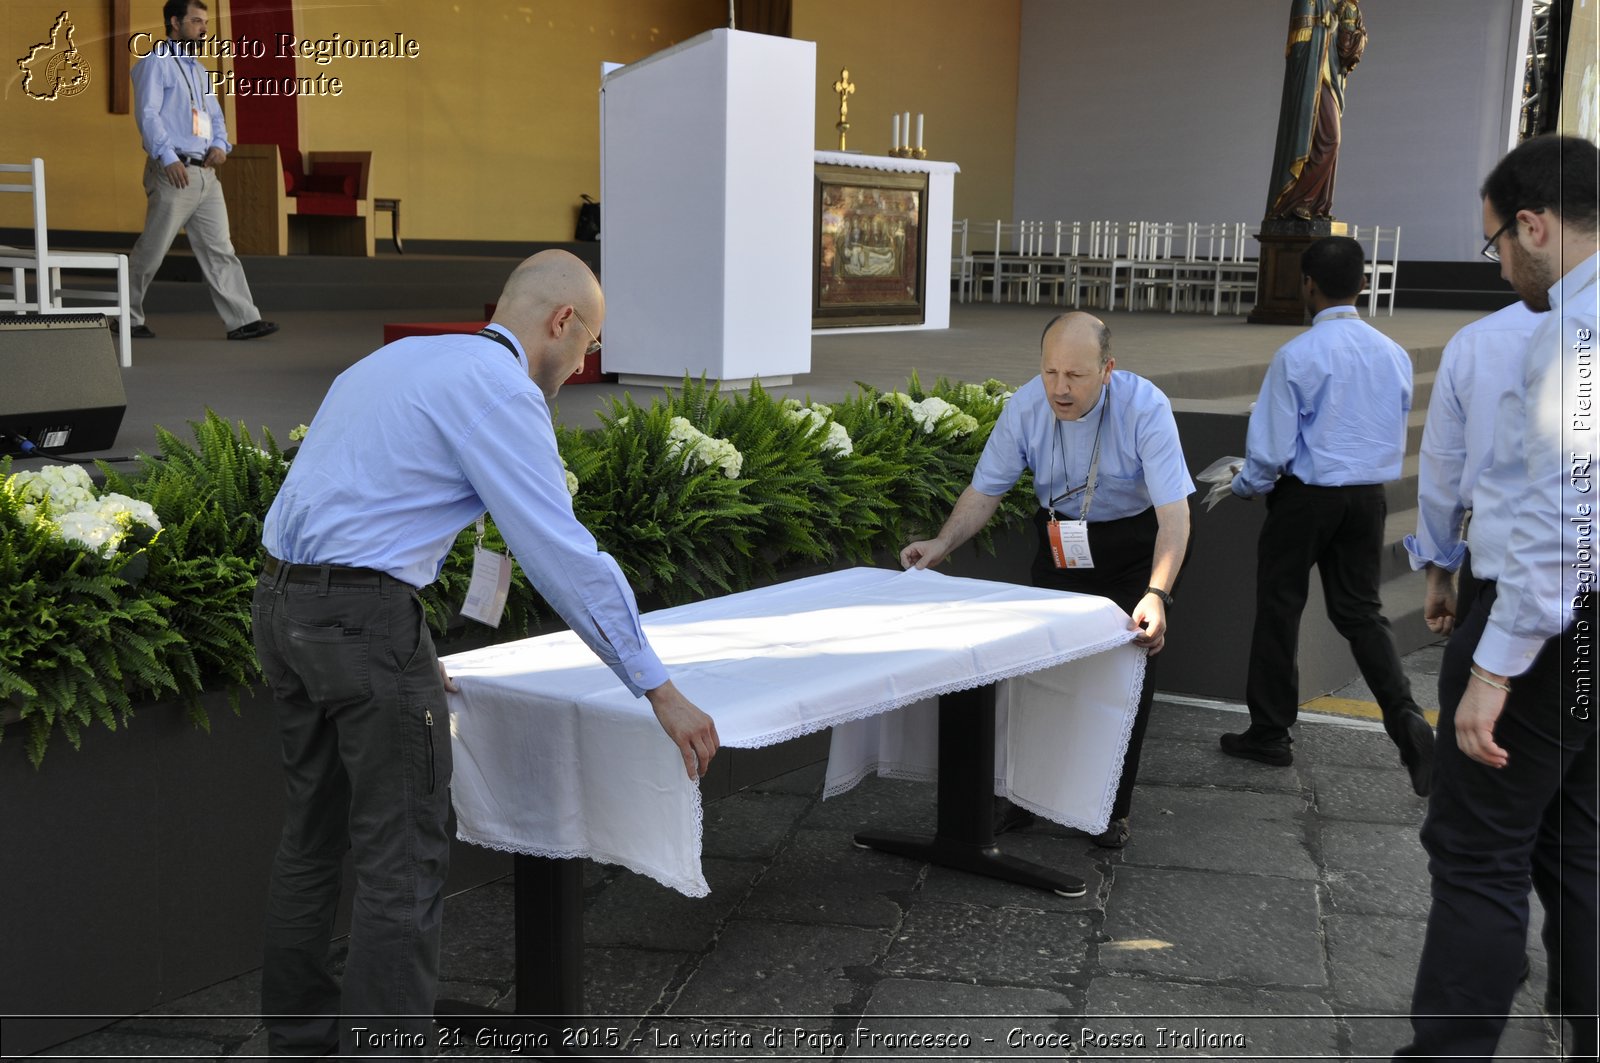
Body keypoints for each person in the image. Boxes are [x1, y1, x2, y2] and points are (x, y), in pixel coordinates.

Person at [252, 250, 719, 1056]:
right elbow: (563, 554)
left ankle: (297, 1042)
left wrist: (396, 645)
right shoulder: (502, 390)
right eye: (588, 346)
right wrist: (659, 688)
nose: (580, 368)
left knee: (311, 836)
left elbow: (359, 501)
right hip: (360, 623)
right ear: (561, 322)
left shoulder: (401, 358)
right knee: (401, 860)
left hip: (282, 606)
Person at [1396, 133, 1598, 1062]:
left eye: (1498, 243)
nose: (1503, 263)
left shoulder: (1571, 332)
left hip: (1547, 622)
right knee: (1579, 831)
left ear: (1534, 224)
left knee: (1476, 848)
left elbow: (1559, 518)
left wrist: (1492, 667)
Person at [901, 311, 1193, 852]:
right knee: (1038, 669)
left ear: (1107, 370)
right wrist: (942, 544)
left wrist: (1157, 593)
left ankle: (1110, 809)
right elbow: (984, 490)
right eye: (1050, 372)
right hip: (1060, 543)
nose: (1060, 388)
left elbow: (1174, 514)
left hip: (1133, 547)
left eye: (1076, 376)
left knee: (1125, 675)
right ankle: (1023, 798)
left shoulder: (1145, 407)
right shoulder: (1027, 405)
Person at [1222, 235, 1434, 796]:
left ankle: (1270, 732)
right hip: (1367, 498)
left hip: (1304, 500)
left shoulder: (1298, 355)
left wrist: (1245, 483)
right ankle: (1406, 717)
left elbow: (1268, 449)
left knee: (1279, 609)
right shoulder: (1392, 352)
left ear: (1307, 285)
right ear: (1362, 284)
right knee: (1362, 614)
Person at [128, 0, 277, 342]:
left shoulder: (199, 70)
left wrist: (222, 146)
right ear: (174, 22)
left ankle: (242, 319)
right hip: (174, 171)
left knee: (220, 249)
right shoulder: (156, 63)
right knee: (152, 250)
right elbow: (148, 115)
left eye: (205, 22)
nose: (203, 28)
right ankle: (127, 316)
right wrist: (167, 158)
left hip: (206, 174)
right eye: (196, 21)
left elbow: (216, 117)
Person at [1403, 300, 1543, 635]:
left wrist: (1438, 571)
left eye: (1495, 246)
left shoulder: (1478, 339)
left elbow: (1445, 462)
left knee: (1475, 680)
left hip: (1500, 561)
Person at [1264, 0, 1367, 221]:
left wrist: (1353, 33)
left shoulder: (1338, 3)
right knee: (1329, 140)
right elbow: (1298, 48)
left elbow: (1344, 54)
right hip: (1314, 82)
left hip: (1331, 79)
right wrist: (1326, 33)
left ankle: (1316, 205)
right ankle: (1295, 201)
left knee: (1329, 143)